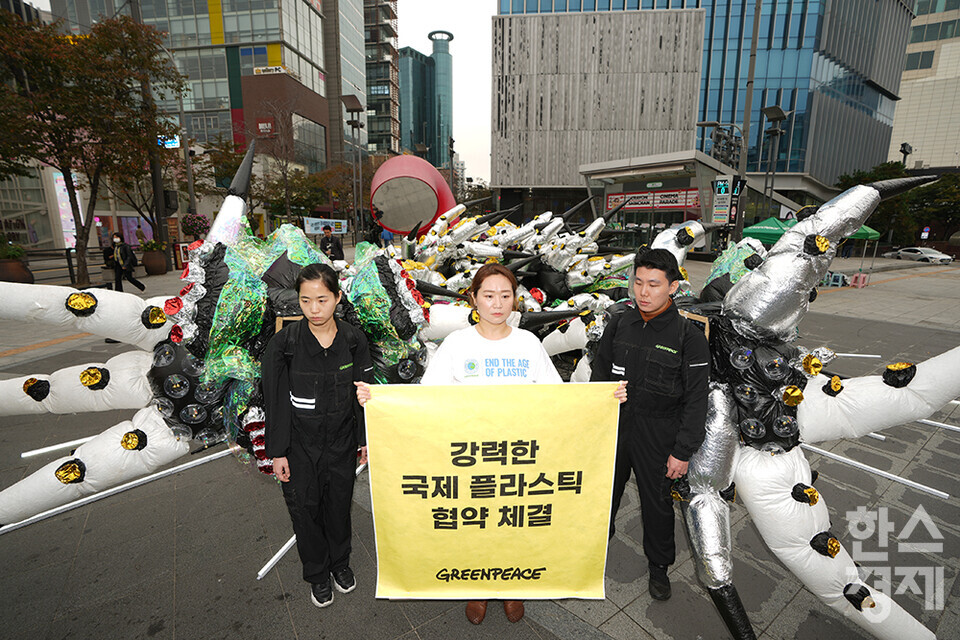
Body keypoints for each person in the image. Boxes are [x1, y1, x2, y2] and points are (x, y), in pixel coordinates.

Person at [356, 264, 624, 625]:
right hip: (468, 462)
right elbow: (424, 402)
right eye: (489, 295)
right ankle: (478, 589)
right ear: (474, 298)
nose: (497, 303)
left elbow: (560, 403)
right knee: (475, 526)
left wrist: (603, 400)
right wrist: (379, 402)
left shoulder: (528, 344)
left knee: (514, 524)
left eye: (505, 295)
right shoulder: (456, 345)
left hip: (518, 462)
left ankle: (512, 588)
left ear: (515, 300)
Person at [590, 248, 709, 602]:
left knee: (656, 505)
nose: (643, 292)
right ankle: (594, 549)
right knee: (601, 495)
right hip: (616, 427)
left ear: (673, 287)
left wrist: (682, 451)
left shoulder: (689, 338)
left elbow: (696, 401)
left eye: (654, 284)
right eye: (638, 282)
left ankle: (659, 566)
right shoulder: (619, 322)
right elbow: (600, 373)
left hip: (659, 434)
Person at [262, 263, 374, 608]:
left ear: (337, 298)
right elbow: (275, 401)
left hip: (341, 443)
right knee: (305, 511)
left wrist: (365, 438)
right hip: (299, 446)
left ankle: (340, 564)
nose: (313, 309)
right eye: (306, 300)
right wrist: (277, 451)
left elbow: (365, 394)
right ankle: (317, 573)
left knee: (338, 507)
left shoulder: (354, 341)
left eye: (322, 300)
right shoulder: (284, 344)